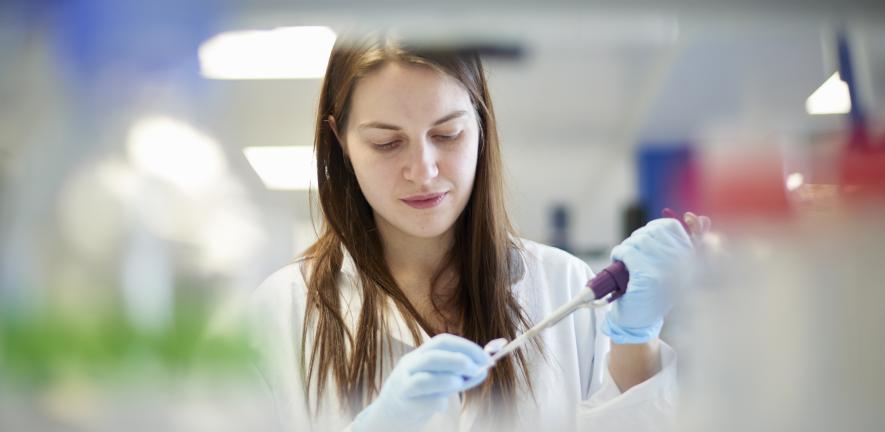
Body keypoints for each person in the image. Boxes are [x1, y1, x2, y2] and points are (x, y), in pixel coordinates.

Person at [246, 30, 701, 432]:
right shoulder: (285, 309)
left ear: (481, 125)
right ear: (340, 140)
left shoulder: (562, 283)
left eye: (447, 134)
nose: (423, 171)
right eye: (387, 143)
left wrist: (636, 339)